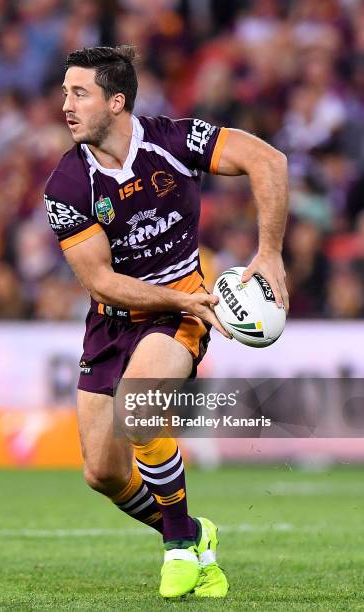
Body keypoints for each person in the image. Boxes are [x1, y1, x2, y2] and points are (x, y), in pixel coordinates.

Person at [44, 45, 288, 599]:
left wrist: (269, 254)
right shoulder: (66, 185)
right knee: (102, 473)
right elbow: (101, 281)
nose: (66, 105)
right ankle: (192, 531)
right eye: (64, 93)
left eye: (79, 93)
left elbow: (268, 160)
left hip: (183, 309)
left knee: (142, 402)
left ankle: (177, 549)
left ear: (116, 101)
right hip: (111, 320)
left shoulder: (175, 142)